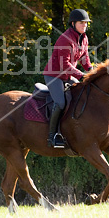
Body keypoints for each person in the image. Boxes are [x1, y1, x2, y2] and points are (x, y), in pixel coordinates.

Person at [43, 9, 93, 148]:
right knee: (60, 103)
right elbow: (64, 65)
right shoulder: (65, 39)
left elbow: (84, 58)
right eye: (81, 23)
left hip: (68, 75)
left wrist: (90, 70)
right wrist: (81, 75)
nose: (84, 25)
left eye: (86, 23)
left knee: (83, 93)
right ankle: (52, 136)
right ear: (73, 23)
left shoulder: (84, 38)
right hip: (54, 75)